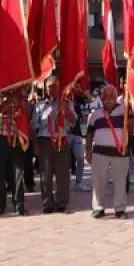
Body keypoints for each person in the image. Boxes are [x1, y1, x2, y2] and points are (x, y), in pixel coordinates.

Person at [31, 75, 77, 214]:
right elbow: (34, 126)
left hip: (62, 140)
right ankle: (48, 202)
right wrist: (35, 144)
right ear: (45, 89)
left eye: (55, 87)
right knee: (46, 174)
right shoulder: (40, 106)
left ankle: (62, 202)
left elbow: (73, 122)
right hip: (45, 141)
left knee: (63, 173)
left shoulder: (66, 103)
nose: (53, 90)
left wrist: (65, 109)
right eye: (50, 87)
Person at [86, 85, 129, 219]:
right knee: (98, 181)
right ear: (102, 98)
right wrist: (87, 151)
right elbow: (89, 134)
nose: (109, 99)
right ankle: (98, 207)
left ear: (117, 97)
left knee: (120, 182)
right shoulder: (95, 114)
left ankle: (120, 208)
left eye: (112, 96)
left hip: (120, 153)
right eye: (106, 96)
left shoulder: (125, 111)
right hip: (99, 152)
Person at [0, 88, 28, 216]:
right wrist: (11, 99)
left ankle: (19, 205)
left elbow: (24, 114)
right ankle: (0, 206)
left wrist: (19, 104)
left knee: (18, 173)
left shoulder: (19, 99)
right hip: (0, 140)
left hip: (16, 140)